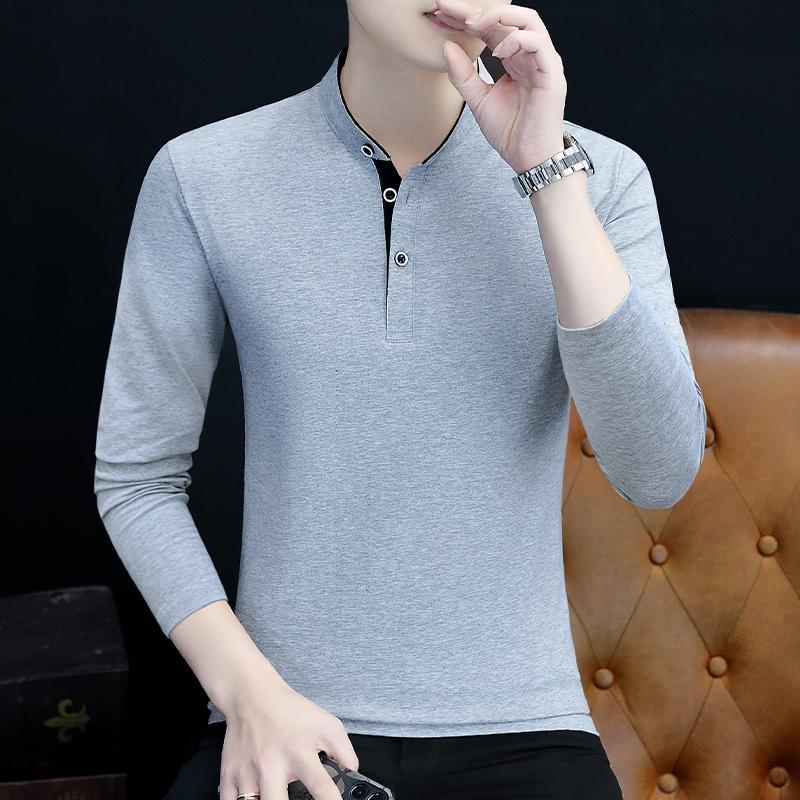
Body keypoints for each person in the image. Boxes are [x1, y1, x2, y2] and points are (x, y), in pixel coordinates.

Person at [94, 0, 707, 798]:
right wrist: (250, 696)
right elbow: (137, 480)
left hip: (529, 737)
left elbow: (658, 473)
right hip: (285, 731)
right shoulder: (203, 174)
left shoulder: (603, 177)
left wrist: (546, 176)